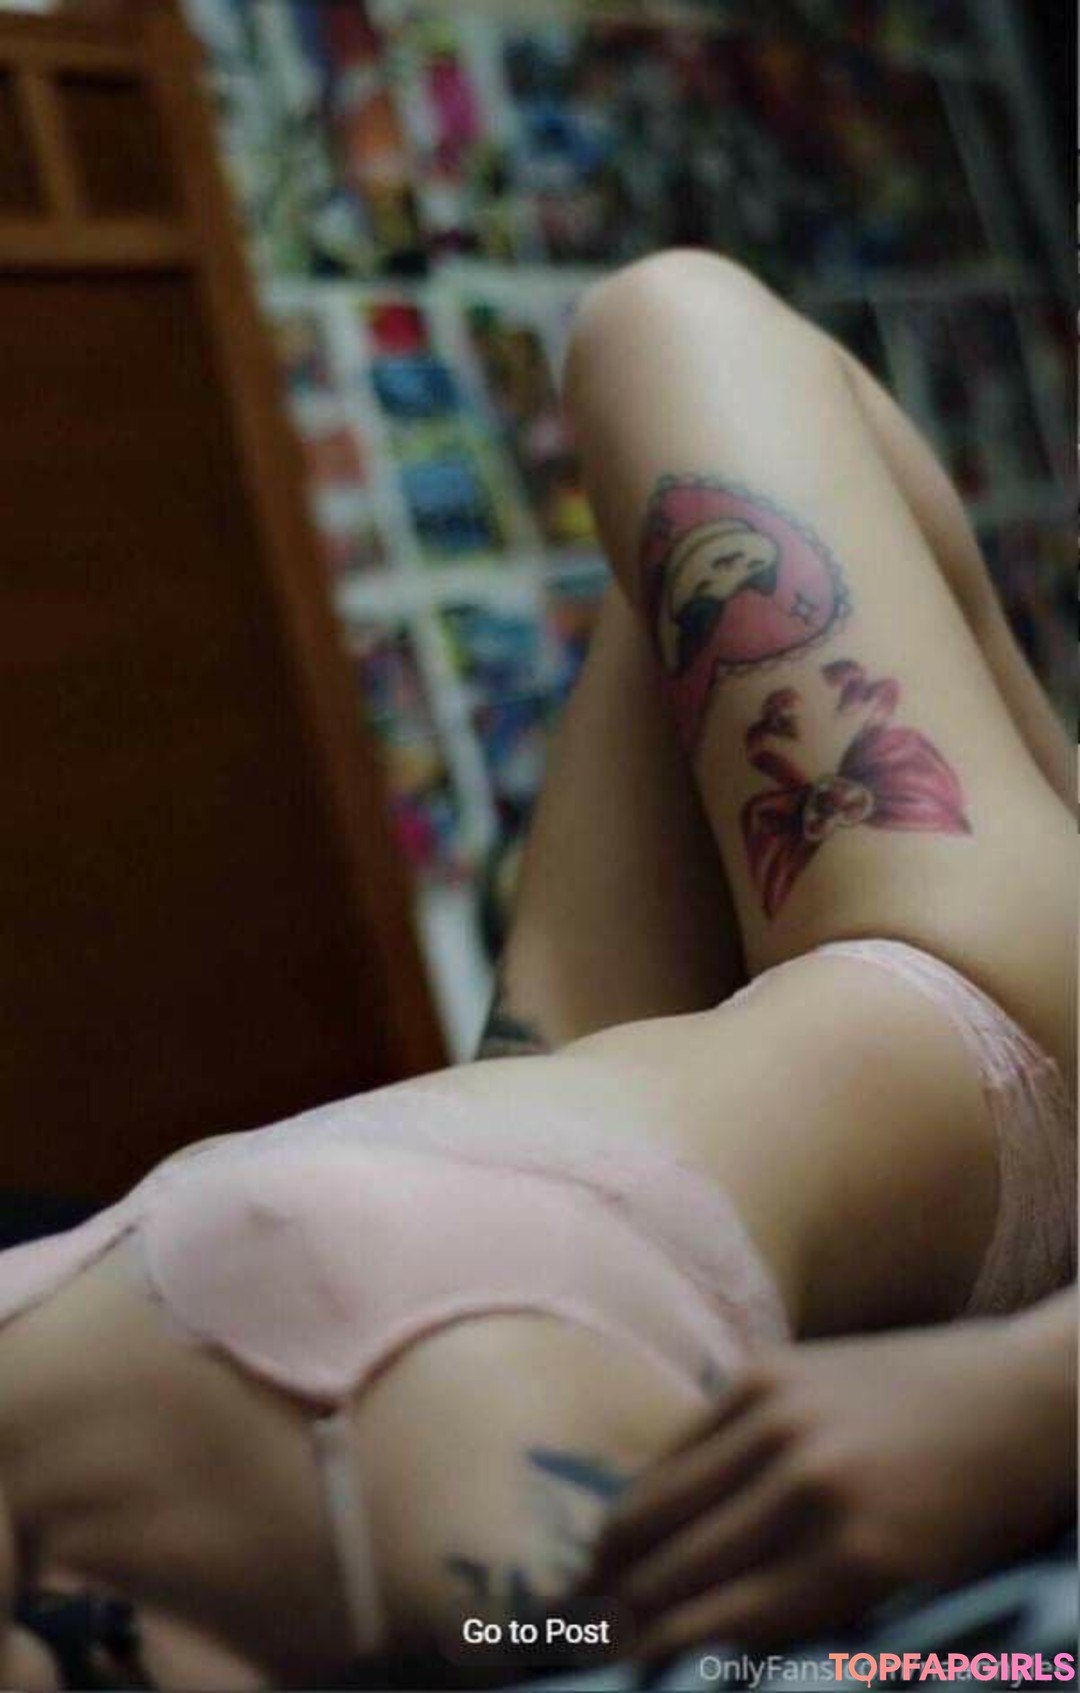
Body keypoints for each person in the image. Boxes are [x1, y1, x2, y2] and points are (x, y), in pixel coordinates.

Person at [0, 251, 1074, 1691]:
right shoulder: (520, 1611)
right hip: (948, 1028)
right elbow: (981, 1669)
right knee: (673, 322)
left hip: (555, 1093)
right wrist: (1035, 1405)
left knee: (685, 546)